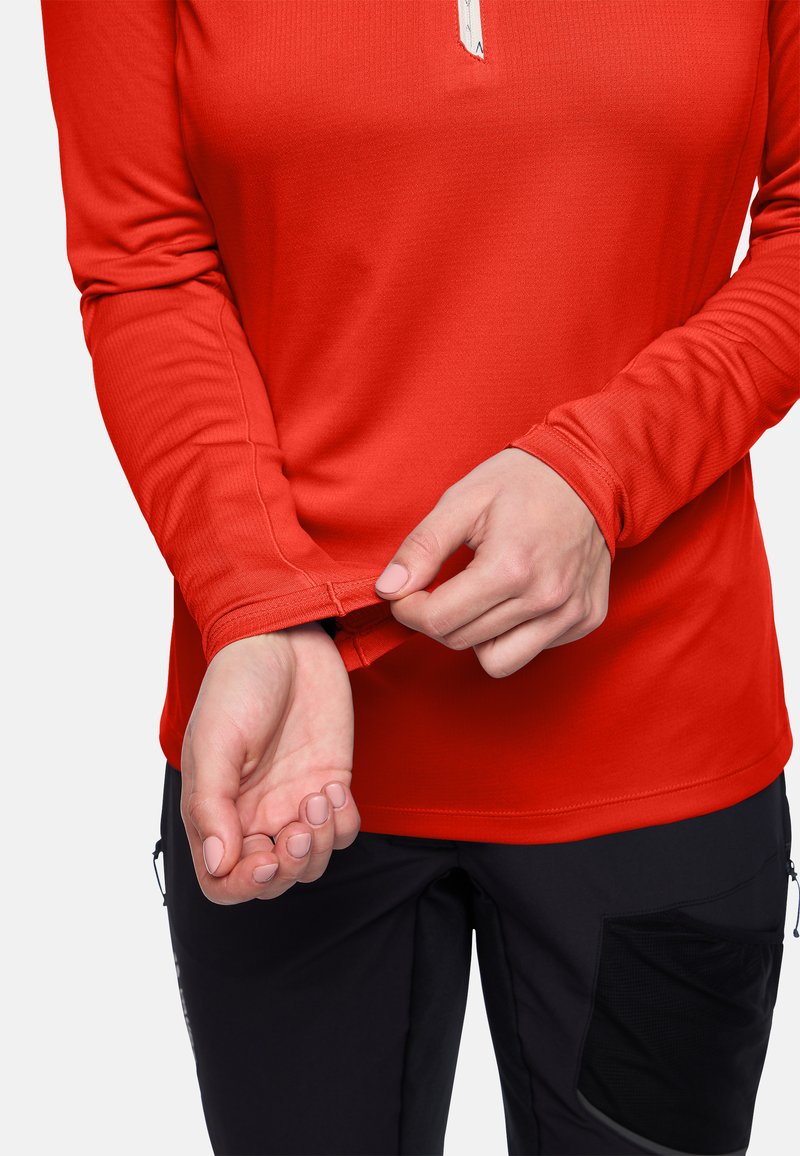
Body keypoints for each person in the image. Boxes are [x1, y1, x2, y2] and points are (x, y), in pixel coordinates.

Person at [41, 2, 798, 1153]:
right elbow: (145, 262)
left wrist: (603, 470)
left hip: (658, 739)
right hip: (286, 756)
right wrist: (258, 592)